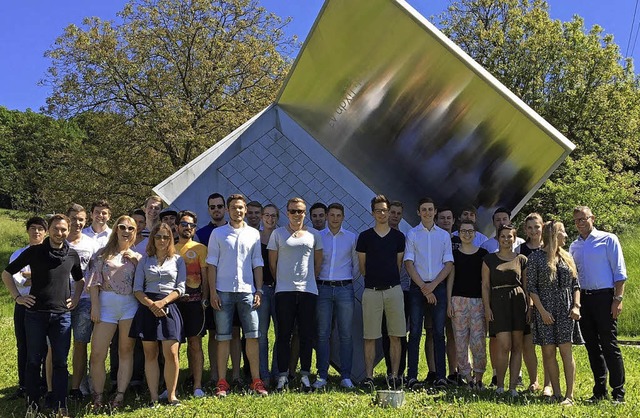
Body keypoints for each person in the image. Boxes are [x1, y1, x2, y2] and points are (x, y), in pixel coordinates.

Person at [2, 214, 84, 417]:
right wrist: (17, 298)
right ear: (49, 230)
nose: (60, 233)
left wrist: (75, 298)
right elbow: (6, 274)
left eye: (63, 229)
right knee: (33, 361)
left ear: (68, 230)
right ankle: (32, 405)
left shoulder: (72, 255)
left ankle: (60, 406)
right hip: (36, 315)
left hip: (61, 317)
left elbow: (80, 280)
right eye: (56, 229)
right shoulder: (34, 252)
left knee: (60, 362)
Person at [208, 194, 267, 397]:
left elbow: (257, 262)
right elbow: (211, 265)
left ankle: (256, 380)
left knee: (253, 336)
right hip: (223, 292)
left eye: (241, 207)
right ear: (227, 210)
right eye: (234, 207)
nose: (238, 211)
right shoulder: (217, 233)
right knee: (223, 337)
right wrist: (213, 291)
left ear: (244, 209)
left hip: (247, 292)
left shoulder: (254, 234)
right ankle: (222, 382)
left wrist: (259, 290)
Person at [570, 206, 627, 403]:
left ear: (592, 218)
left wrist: (617, 299)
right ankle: (599, 391)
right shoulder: (573, 246)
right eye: (577, 220)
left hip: (605, 298)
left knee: (609, 345)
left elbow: (619, 272)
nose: (580, 223)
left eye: (583, 218)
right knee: (592, 347)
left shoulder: (608, 239)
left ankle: (618, 392)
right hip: (584, 300)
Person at [268, 197, 323, 392]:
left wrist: (309, 281)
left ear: (304, 213)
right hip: (284, 291)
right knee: (283, 335)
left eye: (300, 211)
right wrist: (283, 281)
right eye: (293, 211)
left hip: (308, 291)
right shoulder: (278, 234)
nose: (296, 215)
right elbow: (272, 264)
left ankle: (305, 375)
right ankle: (283, 376)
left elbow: (318, 263)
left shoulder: (314, 235)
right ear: (287, 212)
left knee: (307, 335)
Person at [87, 215, 141, 409]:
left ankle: (119, 395)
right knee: (97, 353)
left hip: (129, 306)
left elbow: (143, 283)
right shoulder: (102, 254)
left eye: (131, 228)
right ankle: (98, 395)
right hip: (106, 306)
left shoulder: (138, 257)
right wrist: (95, 306)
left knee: (125, 351)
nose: (126, 231)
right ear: (116, 229)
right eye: (122, 227)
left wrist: (137, 261)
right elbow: (93, 282)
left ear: (135, 233)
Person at [129, 222, 186, 407]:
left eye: (166, 236)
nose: (162, 240)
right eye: (158, 236)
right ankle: (153, 396)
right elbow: (137, 289)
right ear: (152, 238)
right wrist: (152, 305)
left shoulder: (178, 260)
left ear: (171, 239)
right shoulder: (145, 260)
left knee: (171, 353)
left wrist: (162, 302)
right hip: (147, 307)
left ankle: (171, 395)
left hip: (169, 307)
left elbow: (180, 288)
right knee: (150, 354)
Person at [528, 220, 582, 406]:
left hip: (566, 310)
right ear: (553, 235)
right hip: (545, 310)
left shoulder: (567, 257)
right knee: (549, 351)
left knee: (566, 352)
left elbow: (576, 285)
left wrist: (576, 306)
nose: (566, 235)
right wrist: (541, 311)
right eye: (563, 232)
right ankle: (557, 393)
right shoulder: (535, 258)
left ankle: (569, 395)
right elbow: (531, 288)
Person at [356, 195, 405, 389]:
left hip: (394, 290)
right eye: (379, 210)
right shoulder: (365, 237)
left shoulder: (399, 237)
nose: (383, 214)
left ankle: (393, 376)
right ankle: (369, 377)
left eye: (385, 210)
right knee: (370, 336)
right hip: (372, 291)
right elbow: (362, 267)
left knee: (396, 335)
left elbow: (398, 265)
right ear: (373, 213)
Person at [405, 198, 454, 388]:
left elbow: (448, 263)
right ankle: (412, 377)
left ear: (435, 212)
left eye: (430, 209)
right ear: (418, 212)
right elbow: (409, 263)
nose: (427, 212)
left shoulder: (443, 236)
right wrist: (424, 289)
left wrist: (432, 286)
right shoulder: (412, 234)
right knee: (415, 332)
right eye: (423, 209)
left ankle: (441, 377)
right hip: (418, 288)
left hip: (437, 287)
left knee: (438, 333)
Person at [314, 202, 358, 390]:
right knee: (323, 334)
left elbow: (356, 265)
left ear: (343, 217)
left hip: (344, 289)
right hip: (322, 288)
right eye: (331, 215)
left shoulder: (351, 238)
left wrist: (346, 281)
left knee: (346, 335)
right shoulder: (318, 237)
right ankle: (322, 375)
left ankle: (346, 376)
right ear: (326, 216)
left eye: (338, 215)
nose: (334, 219)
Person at [482, 224, 527, 397]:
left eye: (510, 236)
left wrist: (529, 307)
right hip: (498, 302)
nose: (506, 239)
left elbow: (526, 285)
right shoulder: (489, 259)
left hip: (518, 302)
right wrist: (487, 308)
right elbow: (485, 286)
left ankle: (513, 387)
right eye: (503, 236)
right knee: (503, 345)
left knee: (517, 346)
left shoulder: (521, 259)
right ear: (498, 238)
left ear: (515, 239)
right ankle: (499, 384)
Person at [7, 216, 47, 401]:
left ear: (45, 232)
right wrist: (18, 297)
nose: (36, 231)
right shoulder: (18, 254)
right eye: (33, 228)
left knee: (45, 347)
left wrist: (32, 275)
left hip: (45, 304)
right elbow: (19, 279)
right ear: (27, 230)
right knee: (23, 345)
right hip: (24, 303)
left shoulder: (50, 253)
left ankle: (45, 384)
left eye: (40, 228)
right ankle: (23, 385)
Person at [446, 220, 488, 389]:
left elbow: (485, 282)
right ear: (459, 233)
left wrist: (486, 304)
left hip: (478, 301)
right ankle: (467, 378)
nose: (467, 234)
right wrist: (449, 302)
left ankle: (478, 378)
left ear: (475, 233)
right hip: (458, 301)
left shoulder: (483, 254)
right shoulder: (453, 255)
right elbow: (451, 279)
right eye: (463, 231)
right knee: (460, 342)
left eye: (470, 231)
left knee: (478, 342)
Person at [66, 204, 100, 400]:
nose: (77, 223)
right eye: (73, 218)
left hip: (85, 301)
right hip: (58, 301)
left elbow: (96, 274)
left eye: (80, 219)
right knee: (55, 345)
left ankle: (76, 387)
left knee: (80, 344)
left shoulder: (91, 244)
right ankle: (54, 386)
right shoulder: (58, 241)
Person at [175, 210, 209, 398]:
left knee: (195, 344)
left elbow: (205, 277)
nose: (188, 228)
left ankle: (197, 385)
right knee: (174, 346)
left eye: (191, 225)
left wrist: (205, 298)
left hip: (196, 304)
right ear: (177, 226)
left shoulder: (200, 248)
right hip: (175, 304)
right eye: (184, 224)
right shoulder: (170, 247)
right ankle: (172, 385)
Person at [516, 213, 547, 394]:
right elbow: (521, 280)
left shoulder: (550, 247)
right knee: (528, 344)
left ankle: (549, 384)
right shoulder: (521, 250)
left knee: (548, 345)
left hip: (548, 302)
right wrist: (529, 304)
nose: (534, 231)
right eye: (530, 227)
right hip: (527, 303)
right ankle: (534, 381)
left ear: (542, 227)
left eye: (537, 227)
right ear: (525, 230)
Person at [382, 201, 411, 380]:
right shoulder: (380, 235)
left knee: (400, 333)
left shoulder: (405, 238)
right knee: (386, 332)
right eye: (392, 212)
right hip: (383, 289)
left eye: (398, 213)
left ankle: (400, 372)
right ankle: (389, 370)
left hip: (403, 290)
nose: (395, 216)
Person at [436, 206, 461, 385]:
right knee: (433, 332)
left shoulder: (462, 240)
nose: (445, 221)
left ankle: (454, 371)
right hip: (436, 291)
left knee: (455, 334)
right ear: (437, 221)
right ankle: (434, 371)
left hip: (458, 293)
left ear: (454, 221)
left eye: (449, 218)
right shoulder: (434, 239)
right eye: (442, 218)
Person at [257, 203, 279, 384]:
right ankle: (264, 375)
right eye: (267, 215)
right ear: (262, 217)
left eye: (273, 216)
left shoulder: (281, 237)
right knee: (262, 335)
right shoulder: (255, 238)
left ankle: (278, 373)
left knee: (281, 334)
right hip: (262, 289)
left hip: (280, 289)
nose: (270, 219)